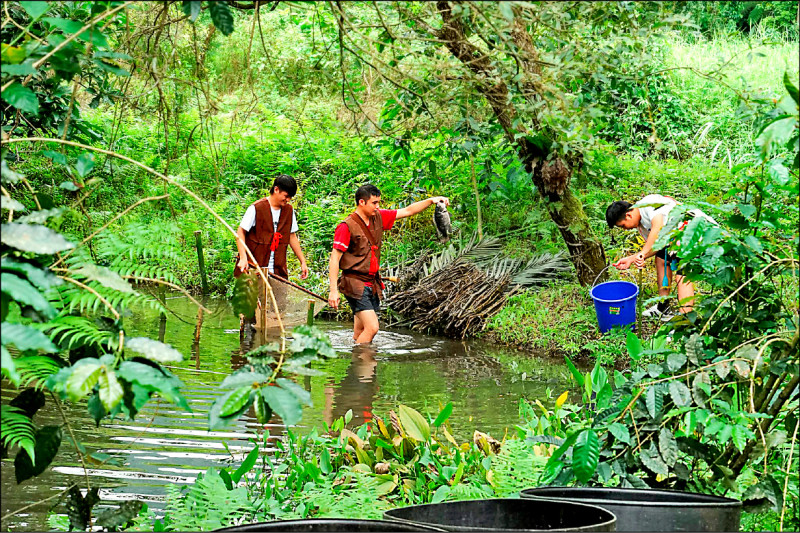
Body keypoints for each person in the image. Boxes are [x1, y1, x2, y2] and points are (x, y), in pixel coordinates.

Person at [328, 184, 449, 344]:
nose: (378, 206)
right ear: (362, 202)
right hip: (354, 284)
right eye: (374, 203)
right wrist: (333, 291)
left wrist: (431, 201)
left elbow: (407, 211)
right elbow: (334, 258)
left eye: (379, 202)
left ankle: (359, 364)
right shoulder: (346, 226)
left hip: (371, 283)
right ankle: (364, 362)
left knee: (361, 331)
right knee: (372, 328)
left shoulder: (379, 217)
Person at [605, 194, 719, 317]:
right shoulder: (640, 225)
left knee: (683, 277)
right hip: (679, 239)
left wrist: (642, 253)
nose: (624, 229)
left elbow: (657, 227)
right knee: (661, 260)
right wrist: (631, 259)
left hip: (699, 233)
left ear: (628, 215)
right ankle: (663, 306)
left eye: (622, 226)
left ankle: (684, 321)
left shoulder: (649, 204)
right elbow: (656, 246)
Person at [235, 174, 309, 328]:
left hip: (277, 271)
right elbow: (240, 232)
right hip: (256, 269)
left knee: (277, 312)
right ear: (276, 189)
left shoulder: (289, 211)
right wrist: (243, 258)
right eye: (286, 196)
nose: (287, 200)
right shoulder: (256, 208)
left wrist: (302, 261)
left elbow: (292, 236)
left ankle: (274, 347)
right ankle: (249, 347)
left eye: (290, 198)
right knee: (252, 314)